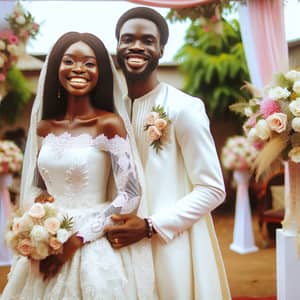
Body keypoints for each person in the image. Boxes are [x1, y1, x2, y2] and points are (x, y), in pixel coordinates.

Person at [1, 31, 157, 300]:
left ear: (100, 72)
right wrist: (39, 221)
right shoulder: (44, 128)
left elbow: (130, 193)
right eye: (69, 61)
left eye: (89, 63)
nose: (79, 69)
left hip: (92, 244)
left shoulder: (109, 124)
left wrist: (79, 238)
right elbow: (37, 186)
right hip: (47, 240)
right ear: (56, 68)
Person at [105, 7, 231, 300]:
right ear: (118, 48)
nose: (136, 46)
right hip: (119, 247)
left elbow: (212, 189)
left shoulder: (184, 107)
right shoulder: (112, 112)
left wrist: (151, 225)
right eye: (127, 39)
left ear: (161, 50)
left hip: (171, 247)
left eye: (148, 40)